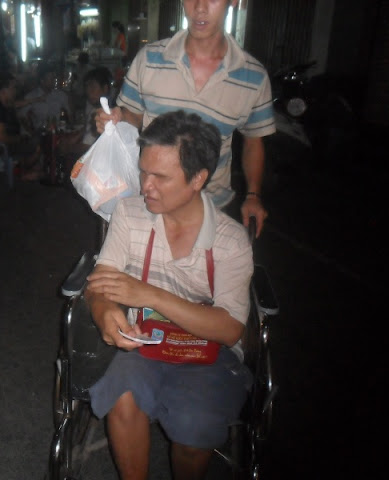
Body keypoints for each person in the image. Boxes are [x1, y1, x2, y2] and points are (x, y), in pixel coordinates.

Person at [85, 110, 254, 480]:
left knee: (194, 427)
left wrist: (151, 295)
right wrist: (105, 312)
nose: (145, 185)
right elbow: (99, 284)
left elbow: (229, 330)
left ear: (198, 178)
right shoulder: (129, 213)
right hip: (147, 343)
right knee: (123, 397)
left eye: (160, 177)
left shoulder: (230, 240)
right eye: (143, 171)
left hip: (210, 354)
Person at [96, 0, 275, 238]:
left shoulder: (254, 77)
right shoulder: (149, 59)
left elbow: (253, 141)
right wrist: (116, 119)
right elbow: (133, 116)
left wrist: (253, 195)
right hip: (149, 203)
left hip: (211, 209)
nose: (200, 7)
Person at [0, 71, 41, 178]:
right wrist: (20, 138)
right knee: (36, 144)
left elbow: (14, 104)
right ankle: (23, 172)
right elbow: (2, 138)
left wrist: (36, 99)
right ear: (4, 91)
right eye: (13, 88)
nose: (15, 91)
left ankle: (22, 169)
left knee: (31, 141)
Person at [58, 66, 114, 160]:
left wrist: (68, 148)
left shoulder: (108, 114)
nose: (89, 91)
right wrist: (71, 140)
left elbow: (90, 148)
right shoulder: (93, 109)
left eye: (93, 87)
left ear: (105, 89)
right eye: (87, 87)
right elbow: (86, 129)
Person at [18, 62, 71, 133]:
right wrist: (30, 132)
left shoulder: (61, 95)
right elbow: (21, 116)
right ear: (42, 80)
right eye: (50, 78)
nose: (53, 81)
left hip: (59, 132)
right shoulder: (32, 96)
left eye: (53, 78)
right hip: (41, 133)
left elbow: (69, 114)